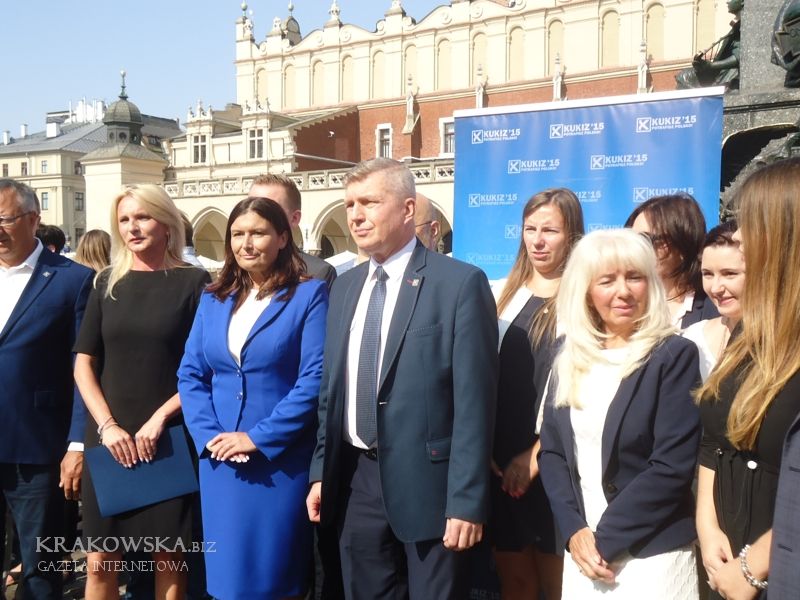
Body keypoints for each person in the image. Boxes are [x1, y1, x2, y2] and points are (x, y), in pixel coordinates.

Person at [306, 158, 498, 600]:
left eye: (370, 202)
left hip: (431, 490)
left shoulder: (459, 284)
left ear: (408, 209)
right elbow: (330, 394)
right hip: (355, 483)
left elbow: (475, 403)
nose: (356, 215)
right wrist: (321, 472)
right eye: (350, 205)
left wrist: (466, 500)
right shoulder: (344, 287)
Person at [538, 228, 701, 599]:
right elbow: (552, 453)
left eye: (634, 277)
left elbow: (671, 466)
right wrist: (573, 531)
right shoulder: (567, 354)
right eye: (607, 280)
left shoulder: (673, 356)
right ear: (586, 291)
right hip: (583, 555)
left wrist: (602, 541)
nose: (623, 291)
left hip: (652, 557)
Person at [178, 196, 327, 599]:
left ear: (283, 237)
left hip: (278, 462)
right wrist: (209, 435)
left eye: (258, 233)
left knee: (272, 579)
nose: (246, 243)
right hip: (220, 462)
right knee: (226, 581)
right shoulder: (213, 297)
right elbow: (191, 374)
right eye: (237, 234)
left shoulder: (309, 295)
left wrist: (257, 437)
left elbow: (314, 378)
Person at [73, 184, 210, 600]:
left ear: (166, 223)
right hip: (109, 439)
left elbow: (205, 369)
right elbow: (83, 363)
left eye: (142, 217)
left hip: (167, 438)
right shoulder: (105, 283)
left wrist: (160, 418)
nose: (132, 227)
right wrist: (108, 426)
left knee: (168, 559)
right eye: (124, 220)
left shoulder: (195, 282)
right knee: (100, 561)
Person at [696, 158, 800, 599]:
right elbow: (714, 439)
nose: (735, 238)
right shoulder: (747, 328)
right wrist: (706, 527)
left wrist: (753, 567)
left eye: (747, 224)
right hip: (723, 558)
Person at [0, 178, 93, 598]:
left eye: (4, 219)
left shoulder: (74, 280)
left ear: (33, 219)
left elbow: (84, 368)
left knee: (42, 571)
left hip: (39, 450)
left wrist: (77, 444)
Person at [491, 188, 584, 600]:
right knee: (516, 585)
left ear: (572, 235)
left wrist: (535, 457)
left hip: (556, 463)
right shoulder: (500, 294)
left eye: (550, 230)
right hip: (498, 466)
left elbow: (583, 389)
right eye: (530, 229)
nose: (538, 240)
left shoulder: (585, 301)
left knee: (557, 586)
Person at [626, 193, 718, 328]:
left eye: (645, 239)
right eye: (631, 239)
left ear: (683, 243)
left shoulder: (715, 310)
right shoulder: (622, 305)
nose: (637, 248)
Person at [250, 174, 336, 289]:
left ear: (294, 218)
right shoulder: (233, 273)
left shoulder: (316, 273)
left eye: (269, 210)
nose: (256, 216)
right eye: (251, 208)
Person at [681, 221, 743, 381]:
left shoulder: (786, 345)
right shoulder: (691, 338)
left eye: (729, 274)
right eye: (707, 274)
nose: (716, 288)